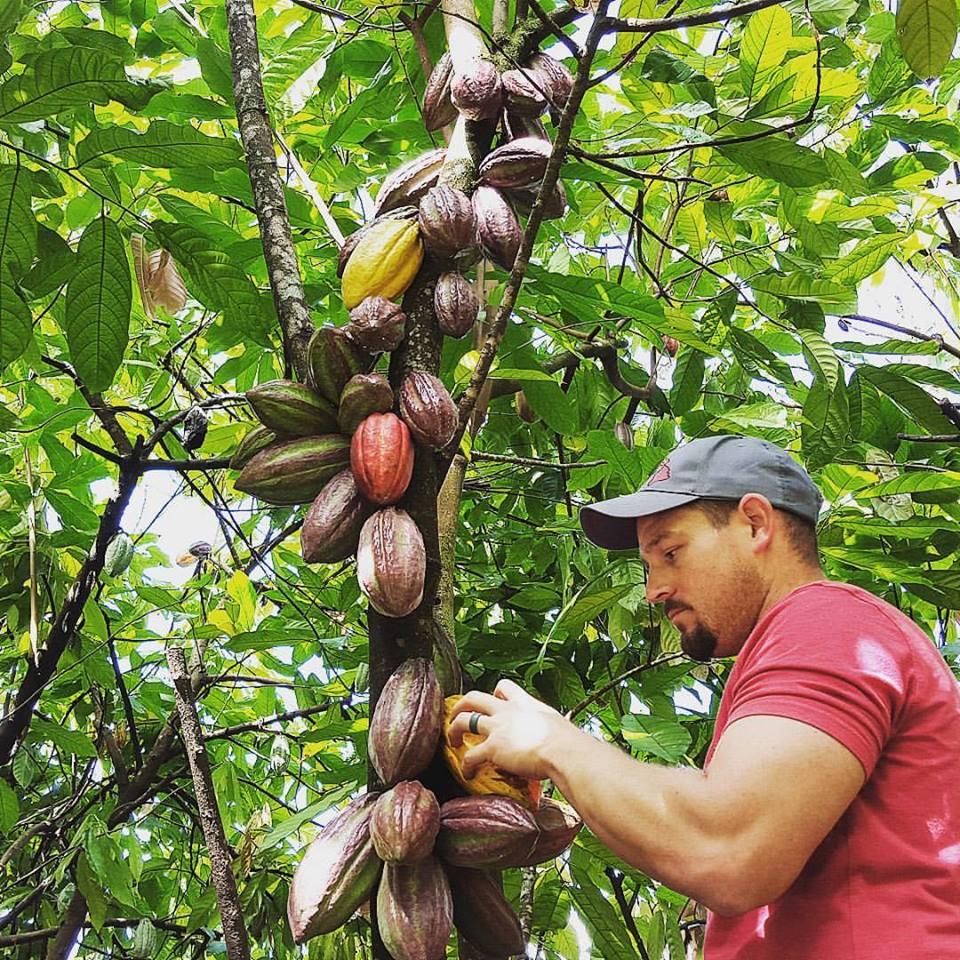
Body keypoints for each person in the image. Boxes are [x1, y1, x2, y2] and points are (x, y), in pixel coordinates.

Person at [448, 435, 960, 959]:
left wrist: (554, 745)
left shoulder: (828, 625)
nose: (654, 589)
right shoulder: (796, 644)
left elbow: (728, 852)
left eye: (671, 552)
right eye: (649, 565)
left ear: (756, 524)